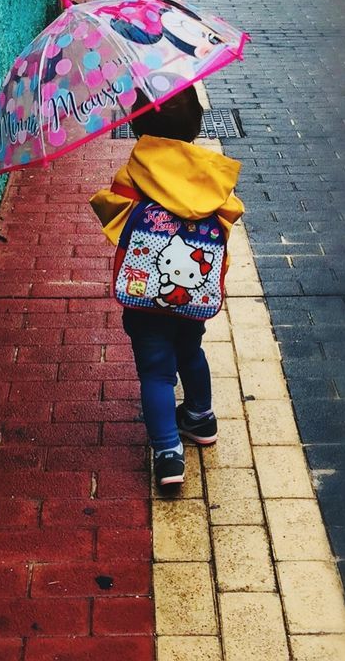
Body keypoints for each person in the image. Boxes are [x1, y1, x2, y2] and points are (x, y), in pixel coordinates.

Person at [90, 87, 244, 488]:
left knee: (156, 372)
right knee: (191, 351)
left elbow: (115, 216)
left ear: (139, 126)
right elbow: (229, 217)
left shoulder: (136, 171)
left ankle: (168, 453)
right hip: (196, 294)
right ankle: (200, 417)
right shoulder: (212, 175)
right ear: (195, 126)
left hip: (144, 293)